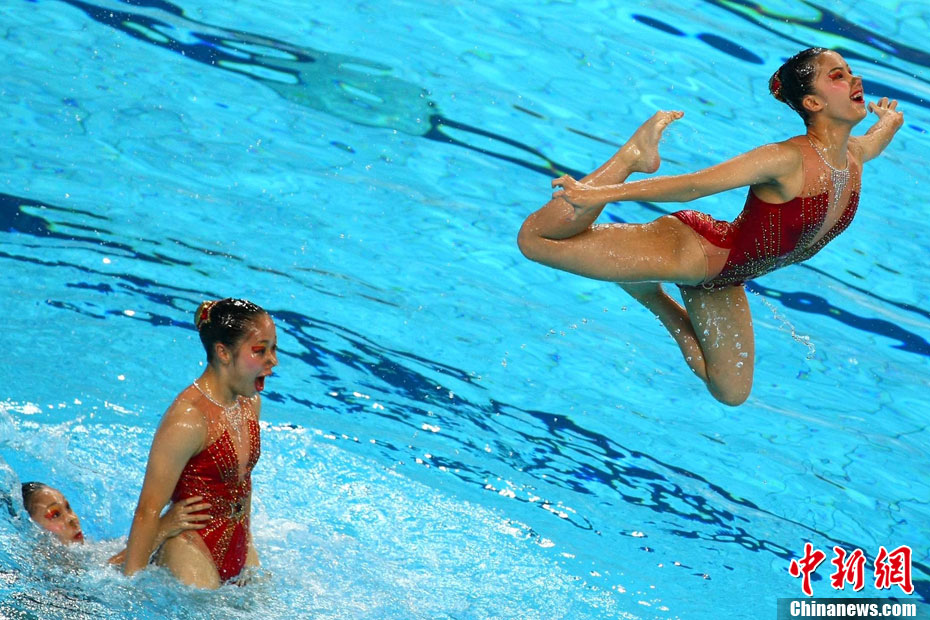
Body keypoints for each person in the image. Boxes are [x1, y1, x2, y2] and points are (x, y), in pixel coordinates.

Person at [518, 48, 903, 406]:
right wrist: (599, 193)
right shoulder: (785, 159)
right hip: (694, 252)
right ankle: (632, 156)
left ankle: (649, 295)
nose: (854, 79)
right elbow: (694, 185)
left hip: (725, 278)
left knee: (730, 391)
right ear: (813, 103)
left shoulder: (853, 156)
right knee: (534, 241)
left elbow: (876, 140)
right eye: (838, 76)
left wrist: (890, 121)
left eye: (850, 72)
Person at [123, 298, 278, 587]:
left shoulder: (249, 403)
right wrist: (127, 589)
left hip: (237, 541)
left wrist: (247, 543)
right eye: (260, 350)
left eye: (273, 349)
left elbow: (243, 481)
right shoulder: (188, 419)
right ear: (223, 353)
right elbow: (147, 510)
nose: (272, 360)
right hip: (190, 549)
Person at [20, 481, 209, 563]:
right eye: (55, 514)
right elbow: (111, 571)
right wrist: (161, 530)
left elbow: (118, 555)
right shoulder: (48, 564)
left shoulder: (87, 550)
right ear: (32, 528)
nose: (71, 519)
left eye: (68, 507)